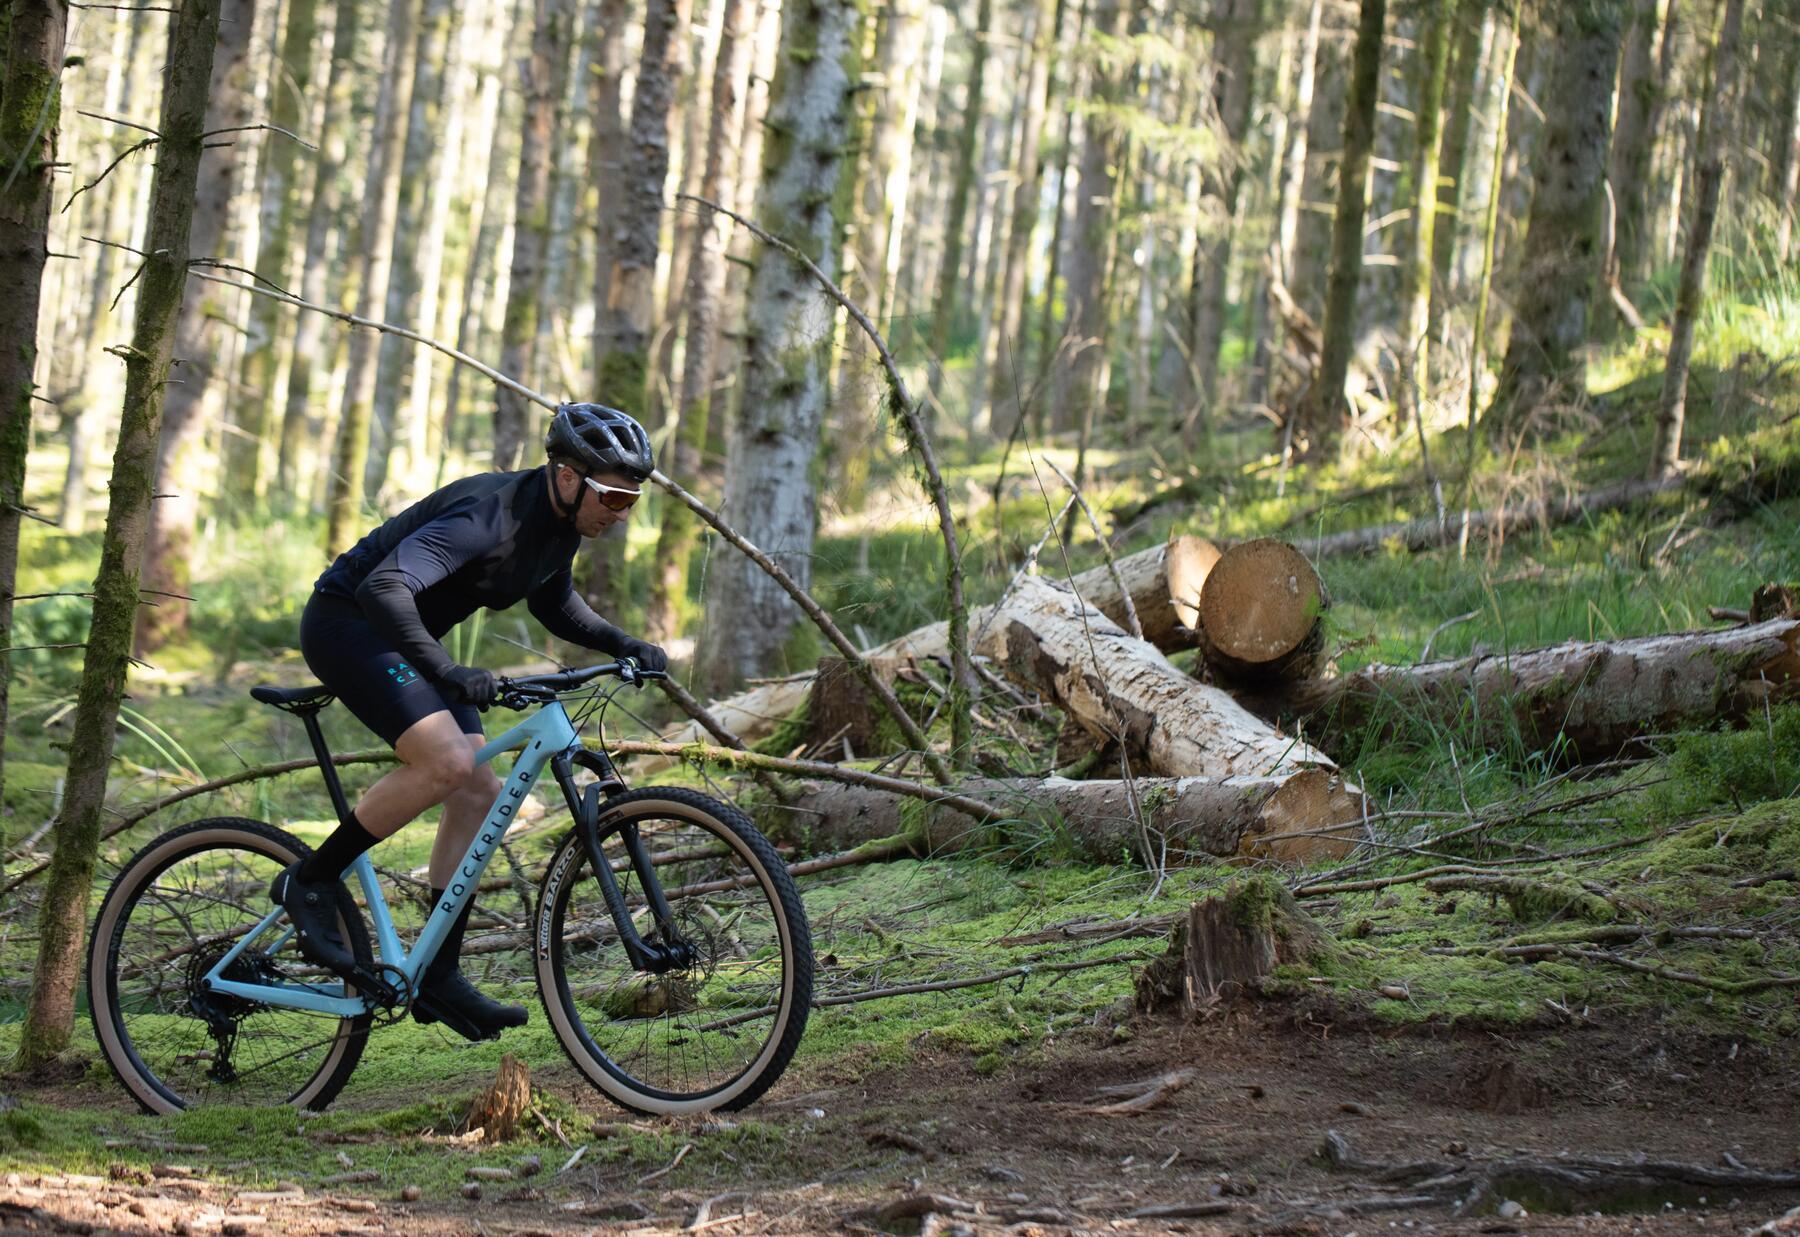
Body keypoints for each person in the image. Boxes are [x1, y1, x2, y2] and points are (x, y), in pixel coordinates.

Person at [270, 404, 669, 1042]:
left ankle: (439, 973)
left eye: (632, 501)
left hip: (408, 637)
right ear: (568, 477)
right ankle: (310, 879)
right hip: (351, 624)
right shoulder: (491, 515)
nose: (621, 514)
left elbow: (551, 598)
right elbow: (383, 588)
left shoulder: (558, 524)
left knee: (479, 789)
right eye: (615, 497)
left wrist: (623, 643)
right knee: (449, 763)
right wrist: (448, 670)